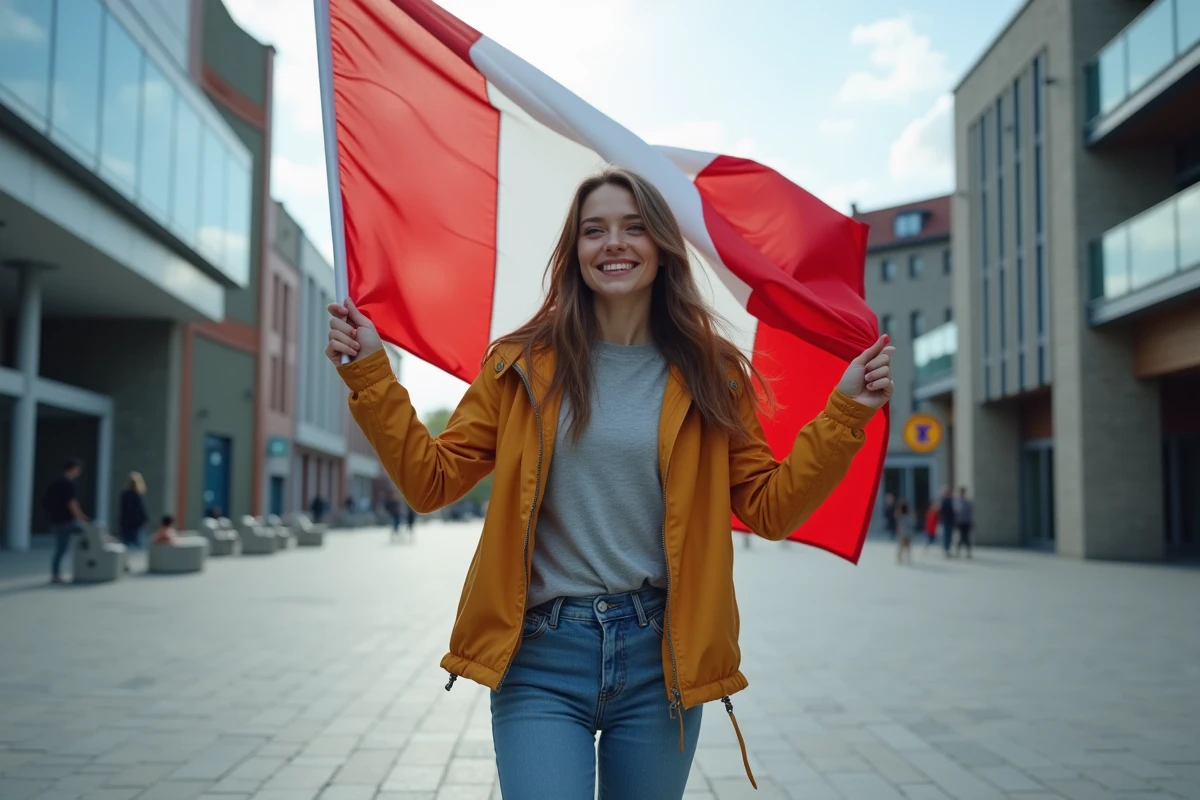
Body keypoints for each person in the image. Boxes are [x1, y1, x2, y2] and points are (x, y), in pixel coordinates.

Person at [325, 168, 894, 798]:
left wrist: (845, 413)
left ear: (662, 249)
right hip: (542, 656)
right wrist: (371, 376)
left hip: (662, 660)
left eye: (634, 228)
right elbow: (430, 481)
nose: (613, 243)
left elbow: (770, 509)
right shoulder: (519, 363)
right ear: (576, 253)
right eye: (594, 231)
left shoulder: (713, 372)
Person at [43, 458, 90, 583]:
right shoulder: (68, 484)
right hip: (66, 520)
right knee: (91, 533)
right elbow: (72, 503)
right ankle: (88, 567)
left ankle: (55, 574)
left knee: (60, 548)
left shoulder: (56, 483)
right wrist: (81, 517)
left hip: (56, 520)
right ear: (73, 469)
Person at [118, 472, 149, 550]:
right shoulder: (138, 495)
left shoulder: (125, 495)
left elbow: (122, 510)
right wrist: (145, 520)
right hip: (136, 525)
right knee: (138, 547)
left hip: (126, 524)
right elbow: (141, 510)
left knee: (126, 546)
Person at [954, 486, 974, 558]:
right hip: (960, 522)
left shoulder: (967, 502)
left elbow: (970, 513)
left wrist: (971, 521)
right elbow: (955, 513)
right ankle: (958, 551)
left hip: (966, 522)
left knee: (966, 537)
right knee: (961, 537)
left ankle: (968, 552)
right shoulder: (957, 502)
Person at [938, 485, 957, 557]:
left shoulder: (951, 500)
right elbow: (941, 511)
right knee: (946, 536)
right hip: (946, 520)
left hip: (950, 520)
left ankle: (947, 549)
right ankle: (946, 549)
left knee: (949, 536)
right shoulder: (944, 501)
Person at [896, 499, 913, 564]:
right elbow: (911, 524)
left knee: (901, 546)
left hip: (903, 533)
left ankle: (900, 557)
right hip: (908, 533)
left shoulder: (900, 516)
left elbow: (899, 525)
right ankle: (907, 557)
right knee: (907, 546)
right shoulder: (908, 516)